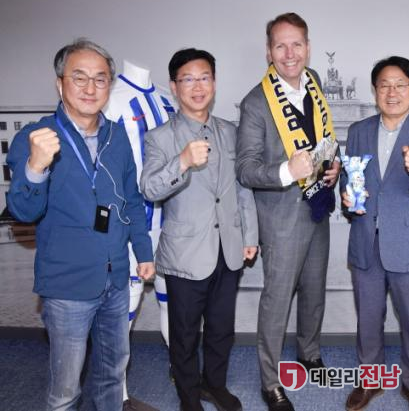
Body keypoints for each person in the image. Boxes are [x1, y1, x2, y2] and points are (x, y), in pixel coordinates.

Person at [6, 38, 155, 411]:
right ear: (60, 84)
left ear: (109, 86)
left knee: (112, 377)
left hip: (116, 278)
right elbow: (23, 211)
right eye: (79, 77)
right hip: (67, 286)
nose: (91, 88)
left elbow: (131, 199)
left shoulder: (116, 135)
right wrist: (36, 166)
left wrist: (143, 252)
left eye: (100, 79)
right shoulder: (36, 137)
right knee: (65, 392)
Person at [139, 48, 258, 411]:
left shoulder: (230, 131)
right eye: (188, 79)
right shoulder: (160, 138)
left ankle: (214, 386)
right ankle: (189, 398)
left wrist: (250, 236)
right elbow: (149, 189)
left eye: (204, 78)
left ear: (214, 83)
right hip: (185, 254)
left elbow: (242, 189)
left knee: (222, 329)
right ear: (174, 87)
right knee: (185, 334)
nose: (197, 86)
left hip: (229, 248)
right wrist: (182, 161)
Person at [236, 12, 340, 411]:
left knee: (314, 292)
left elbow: (323, 141)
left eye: (297, 44)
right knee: (277, 301)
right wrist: (286, 171)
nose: (290, 53)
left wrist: (333, 168)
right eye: (280, 45)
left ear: (308, 48)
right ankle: (270, 382)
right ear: (269, 51)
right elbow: (245, 169)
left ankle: (309, 354)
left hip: (317, 206)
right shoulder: (255, 102)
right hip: (280, 218)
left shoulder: (315, 84)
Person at [341, 56, 409, 411]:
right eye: (384, 85)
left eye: (401, 85)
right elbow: (351, 177)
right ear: (375, 91)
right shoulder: (358, 130)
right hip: (366, 241)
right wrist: (347, 197)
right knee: (368, 320)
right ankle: (370, 380)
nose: (392, 92)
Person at [104, 60, 175, 410]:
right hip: (132, 224)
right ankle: (117, 394)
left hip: (171, 222)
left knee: (173, 301)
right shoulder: (110, 98)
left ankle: (182, 370)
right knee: (126, 310)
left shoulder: (166, 99)